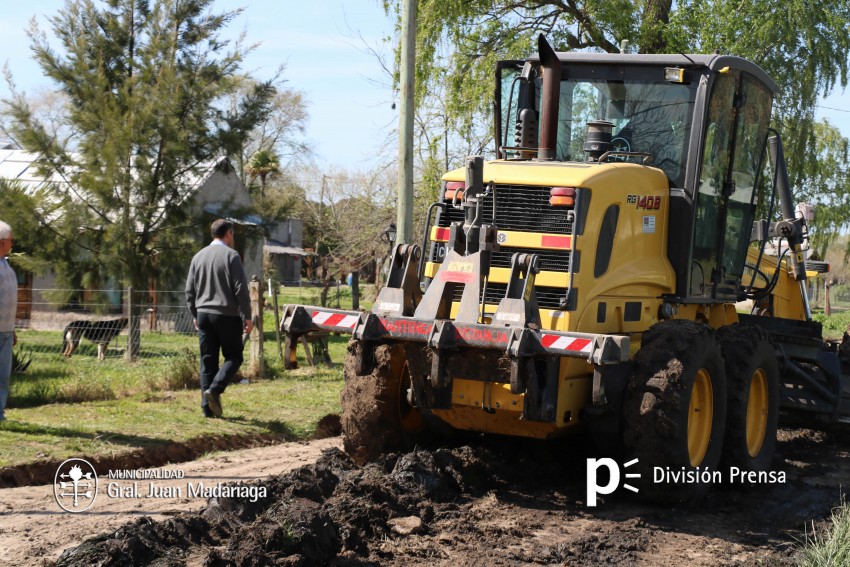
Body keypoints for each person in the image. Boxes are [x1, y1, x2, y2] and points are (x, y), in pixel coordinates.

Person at [185, 219, 253, 418]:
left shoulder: (198, 257)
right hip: (226, 314)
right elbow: (241, 289)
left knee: (208, 361)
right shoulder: (232, 256)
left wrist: (195, 314)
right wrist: (247, 316)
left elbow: (189, 290)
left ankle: (207, 409)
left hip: (204, 314)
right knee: (234, 356)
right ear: (229, 233)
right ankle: (215, 389)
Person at [0, 221, 17, 422]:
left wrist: (11, 329)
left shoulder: (6, 265)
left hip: (4, 330)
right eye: (11, 241)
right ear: (2, 242)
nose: (13, 244)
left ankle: (0, 413)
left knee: (3, 376)